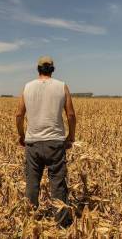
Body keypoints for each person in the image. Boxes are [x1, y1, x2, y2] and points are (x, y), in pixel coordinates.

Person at [16, 55, 76, 227]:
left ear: (38, 69)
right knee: (57, 182)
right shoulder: (62, 86)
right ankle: (62, 222)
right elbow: (71, 115)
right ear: (53, 69)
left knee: (32, 182)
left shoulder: (27, 87)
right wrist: (71, 137)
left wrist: (22, 135)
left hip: (33, 142)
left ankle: (29, 219)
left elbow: (19, 115)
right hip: (55, 143)